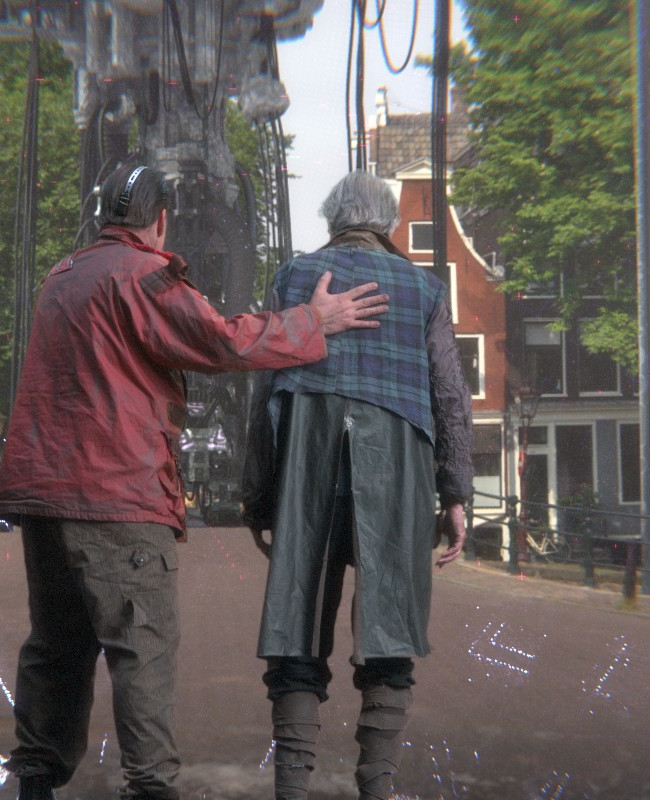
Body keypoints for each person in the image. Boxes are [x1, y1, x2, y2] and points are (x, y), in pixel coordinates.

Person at [0, 163, 391, 800]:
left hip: (44, 497)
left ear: (102, 214)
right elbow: (220, 343)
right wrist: (312, 321)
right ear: (160, 221)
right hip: (117, 497)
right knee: (141, 650)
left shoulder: (61, 276)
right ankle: (150, 787)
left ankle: (36, 784)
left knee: (55, 649)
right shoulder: (144, 275)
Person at [242, 171, 473, 800]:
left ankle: (292, 788)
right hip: (396, 468)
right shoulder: (424, 289)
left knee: (297, 625)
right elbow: (450, 397)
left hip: (307, 465)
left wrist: (258, 496)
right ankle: (377, 786)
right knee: (390, 628)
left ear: (332, 220)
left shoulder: (294, 277)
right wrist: (455, 493)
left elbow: (264, 392)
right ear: (388, 224)